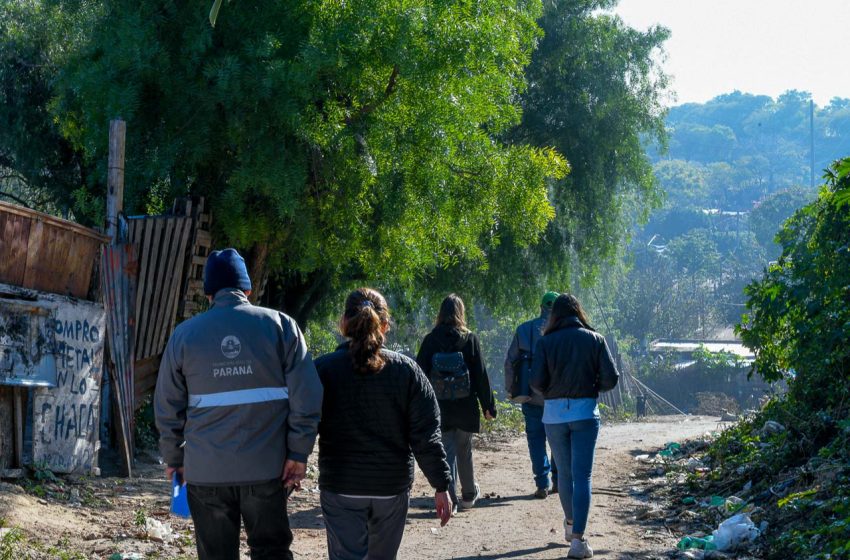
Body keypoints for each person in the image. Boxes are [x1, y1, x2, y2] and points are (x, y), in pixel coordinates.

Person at [154, 248, 323, 560]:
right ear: (248, 289)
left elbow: (167, 407)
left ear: (208, 294)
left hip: (205, 475)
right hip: (266, 470)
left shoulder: (184, 336)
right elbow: (307, 396)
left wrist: (175, 459)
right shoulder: (281, 326)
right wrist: (298, 454)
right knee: (271, 552)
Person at [315, 288, 453, 560]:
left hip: (341, 484)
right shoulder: (407, 371)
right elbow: (426, 436)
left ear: (343, 323)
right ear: (385, 324)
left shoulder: (323, 369)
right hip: (391, 487)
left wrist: (291, 467)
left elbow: (302, 424)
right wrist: (441, 485)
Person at [531, 294, 619, 559]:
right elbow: (611, 379)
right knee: (583, 477)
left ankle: (570, 525)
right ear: (579, 312)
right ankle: (578, 541)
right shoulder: (595, 339)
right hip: (584, 413)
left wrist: (553, 393)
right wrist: (591, 388)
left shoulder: (546, 342)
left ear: (554, 315)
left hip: (554, 415)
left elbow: (536, 381)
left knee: (565, 476)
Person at [416, 294, 497, 512]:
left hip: (439, 406)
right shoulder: (470, 339)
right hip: (465, 405)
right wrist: (488, 406)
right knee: (464, 449)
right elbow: (481, 375)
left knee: (446, 450)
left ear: (440, 314)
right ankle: (469, 495)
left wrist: (417, 406)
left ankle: (449, 499)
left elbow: (419, 375)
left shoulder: (430, 340)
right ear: (461, 312)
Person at [504, 291, 560, 498]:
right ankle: (558, 481)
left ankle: (542, 484)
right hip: (556, 399)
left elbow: (510, 362)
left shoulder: (524, 330)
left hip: (530, 396)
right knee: (558, 441)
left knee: (536, 440)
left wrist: (511, 390)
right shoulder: (562, 333)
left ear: (541, 308)